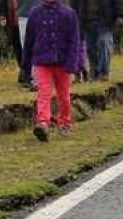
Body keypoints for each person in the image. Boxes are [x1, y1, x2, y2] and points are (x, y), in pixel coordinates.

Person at [22, 0, 80, 141]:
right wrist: (26, 64)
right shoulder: (35, 13)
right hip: (42, 61)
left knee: (64, 96)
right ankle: (43, 123)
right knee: (44, 92)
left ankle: (65, 121)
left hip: (63, 62)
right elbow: (29, 40)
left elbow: (74, 41)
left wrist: (73, 63)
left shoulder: (69, 13)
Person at [70, 0, 123, 81]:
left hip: (106, 19)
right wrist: (74, 18)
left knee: (104, 43)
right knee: (91, 49)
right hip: (86, 21)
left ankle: (103, 73)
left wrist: (120, 15)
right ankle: (94, 72)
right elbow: (74, 4)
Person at [0, 0, 30, 86]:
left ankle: (27, 75)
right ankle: (24, 73)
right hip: (14, 28)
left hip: (26, 25)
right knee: (19, 51)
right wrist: (1, 18)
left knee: (27, 50)